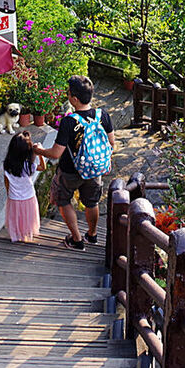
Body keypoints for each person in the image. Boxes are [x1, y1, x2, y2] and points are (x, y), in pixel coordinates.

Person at [33, 75, 114, 251]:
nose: (67, 95)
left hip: (70, 171)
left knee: (63, 201)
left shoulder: (69, 121)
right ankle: (92, 236)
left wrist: (38, 151)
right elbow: (111, 144)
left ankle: (77, 240)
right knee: (92, 202)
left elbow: (55, 154)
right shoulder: (103, 116)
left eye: (69, 93)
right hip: (95, 171)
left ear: (74, 99)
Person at [3, 131, 41, 243]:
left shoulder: (7, 165)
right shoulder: (29, 166)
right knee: (28, 219)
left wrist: (9, 194)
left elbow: (6, 183)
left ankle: (16, 235)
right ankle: (26, 236)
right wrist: (38, 153)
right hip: (29, 196)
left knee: (16, 218)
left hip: (13, 197)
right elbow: (42, 167)